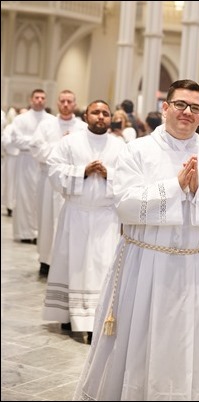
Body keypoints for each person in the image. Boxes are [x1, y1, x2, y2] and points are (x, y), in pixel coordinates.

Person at [74, 79, 199, 401]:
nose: (187, 112)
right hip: (144, 265)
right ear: (165, 108)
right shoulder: (137, 150)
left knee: (184, 343)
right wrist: (175, 186)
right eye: (180, 105)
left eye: (195, 107)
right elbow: (124, 203)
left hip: (192, 269)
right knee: (137, 339)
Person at [42, 99, 126, 342]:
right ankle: (68, 315)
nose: (101, 117)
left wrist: (108, 173)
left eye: (105, 113)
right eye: (96, 112)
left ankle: (94, 320)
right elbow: (54, 170)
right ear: (86, 116)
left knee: (102, 267)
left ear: (110, 118)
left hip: (105, 217)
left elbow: (131, 178)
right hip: (75, 215)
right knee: (72, 264)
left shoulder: (121, 146)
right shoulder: (70, 142)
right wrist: (83, 171)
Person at [30, 89, 87, 277]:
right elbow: (37, 149)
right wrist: (61, 144)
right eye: (62, 101)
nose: (65, 104)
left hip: (71, 181)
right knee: (46, 221)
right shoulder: (46, 125)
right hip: (48, 180)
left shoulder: (81, 127)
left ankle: (64, 263)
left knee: (68, 222)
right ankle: (45, 260)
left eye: (69, 101)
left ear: (75, 104)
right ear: (57, 103)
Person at [10, 89, 55, 243]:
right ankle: (25, 233)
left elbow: (54, 143)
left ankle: (39, 233)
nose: (40, 100)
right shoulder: (21, 119)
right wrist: (38, 144)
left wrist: (39, 145)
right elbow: (16, 140)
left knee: (40, 197)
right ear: (31, 99)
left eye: (43, 97)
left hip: (44, 162)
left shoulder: (51, 120)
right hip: (25, 161)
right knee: (24, 196)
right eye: (37, 97)